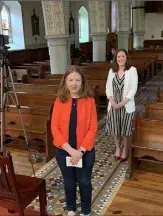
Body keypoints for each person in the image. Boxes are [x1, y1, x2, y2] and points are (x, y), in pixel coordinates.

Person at [51, 65, 97, 216]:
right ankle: (71, 209)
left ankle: (86, 211)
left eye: (77, 80)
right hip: (64, 151)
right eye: (70, 80)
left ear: (82, 82)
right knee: (69, 181)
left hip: (85, 151)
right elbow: (55, 128)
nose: (74, 83)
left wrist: (80, 151)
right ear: (65, 82)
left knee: (84, 182)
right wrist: (70, 150)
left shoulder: (89, 101)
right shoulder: (59, 101)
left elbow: (92, 127)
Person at [105, 49, 138, 162]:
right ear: (116, 58)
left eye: (123, 56)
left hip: (126, 104)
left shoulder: (132, 70)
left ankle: (125, 150)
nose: (120, 59)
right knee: (115, 128)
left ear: (126, 57)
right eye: (118, 57)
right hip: (114, 104)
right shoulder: (111, 71)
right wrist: (112, 101)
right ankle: (118, 148)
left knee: (124, 129)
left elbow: (134, 88)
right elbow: (108, 88)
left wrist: (123, 102)